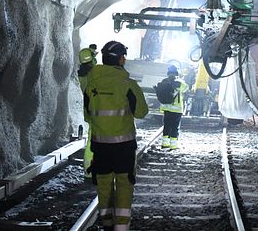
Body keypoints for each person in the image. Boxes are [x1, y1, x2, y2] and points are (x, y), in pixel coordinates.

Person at [84, 41, 148, 231]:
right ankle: (121, 226)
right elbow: (141, 112)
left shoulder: (91, 84)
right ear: (121, 59)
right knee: (124, 183)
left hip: (100, 145)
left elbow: (88, 115)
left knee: (103, 184)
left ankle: (107, 223)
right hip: (124, 145)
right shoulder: (127, 84)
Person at [77, 45, 98, 179]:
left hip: (89, 111)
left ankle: (88, 171)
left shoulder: (82, 74)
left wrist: (91, 53)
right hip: (99, 110)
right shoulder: (95, 73)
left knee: (92, 142)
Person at [160, 65, 188, 149]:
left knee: (167, 126)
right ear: (177, 73)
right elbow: (186, 88)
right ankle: (173, 145)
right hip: (177, 110)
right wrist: (180, 79)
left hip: (166, 109)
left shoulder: (164, 81)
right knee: (175, 127)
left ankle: (165, 144)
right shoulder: (180, 83)